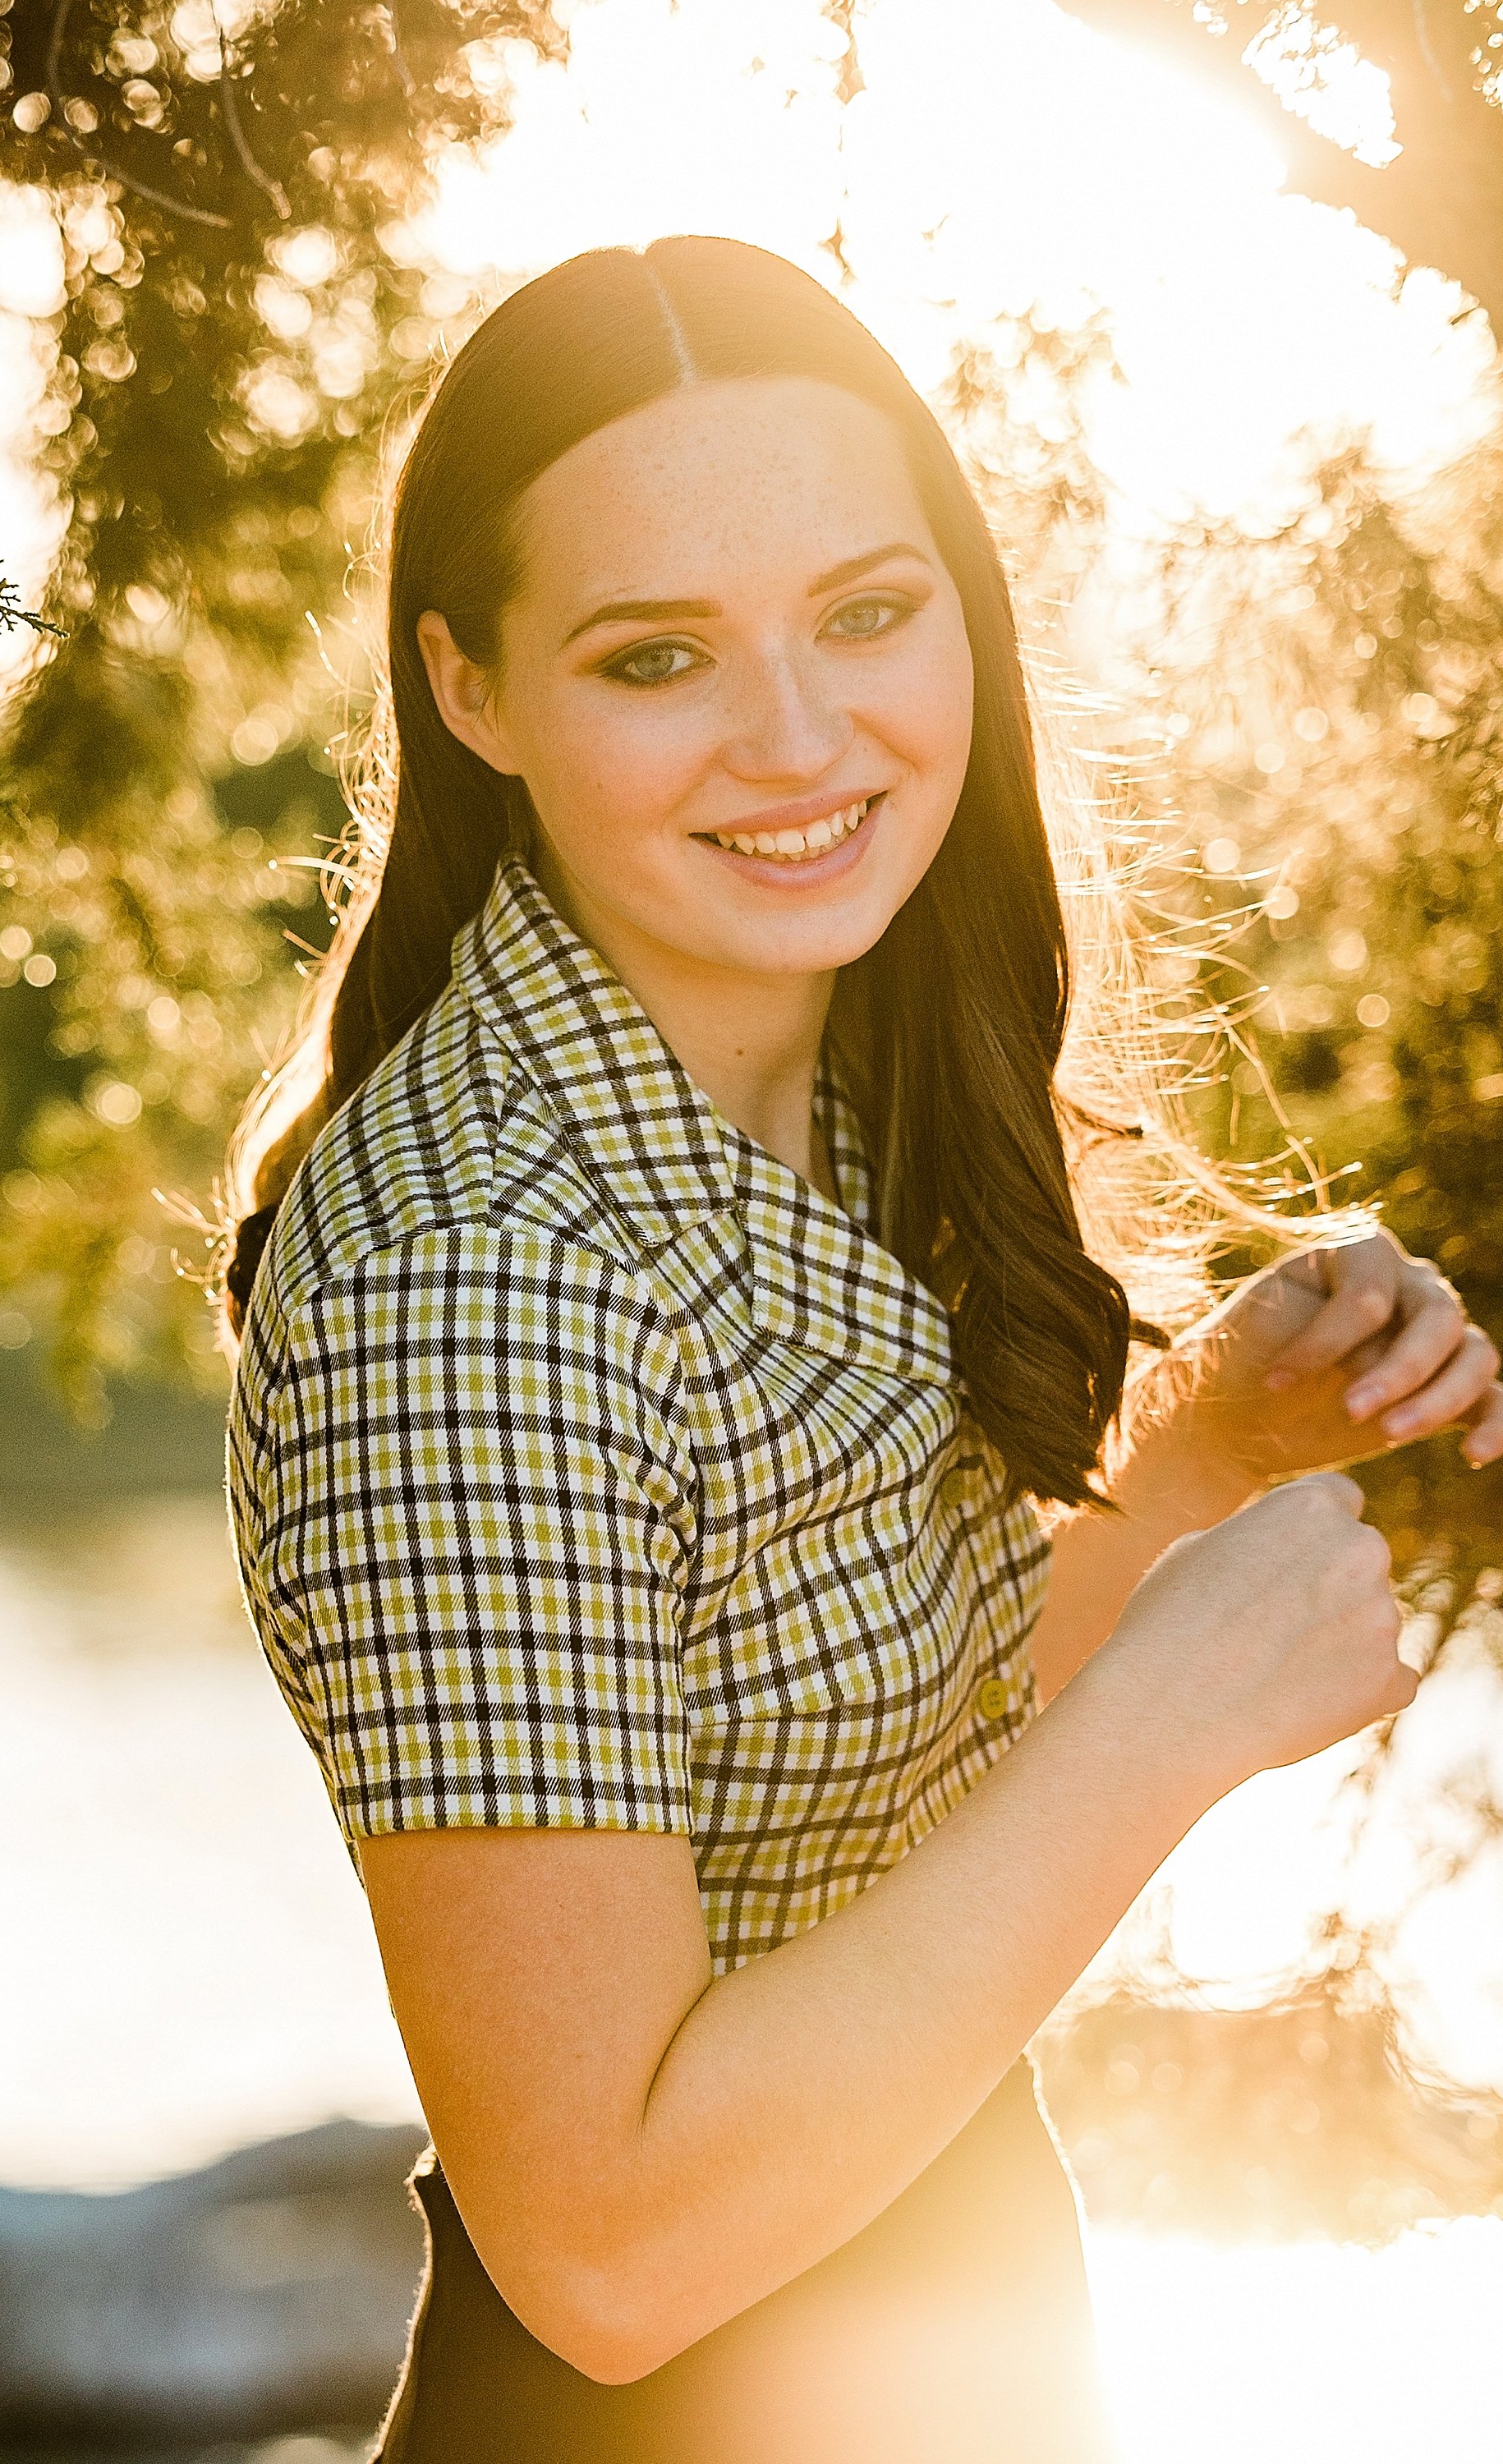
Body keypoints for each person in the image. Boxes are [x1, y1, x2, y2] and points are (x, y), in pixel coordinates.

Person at [217, 236, 1502, 2462]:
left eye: (869, 615)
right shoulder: (469, 1276)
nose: (803, 740)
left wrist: (1199, 1451)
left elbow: (871, 1772)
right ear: (473, 688)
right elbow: (604, 2246)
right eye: (657, 658)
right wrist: (1174, 1727)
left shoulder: (840, 1070)